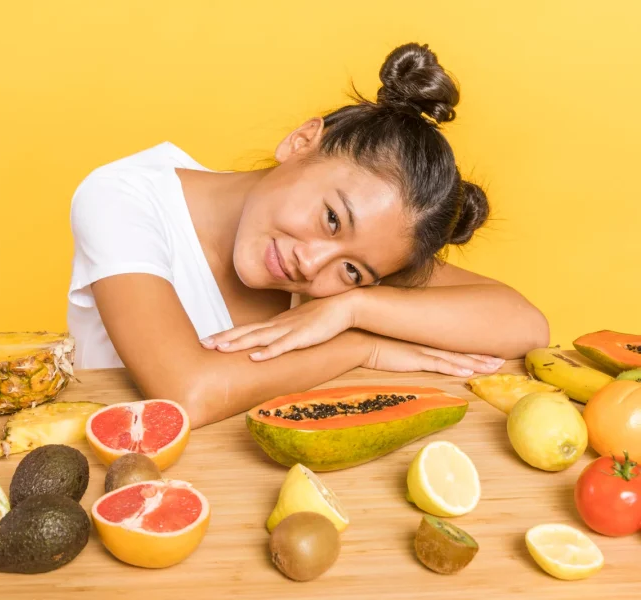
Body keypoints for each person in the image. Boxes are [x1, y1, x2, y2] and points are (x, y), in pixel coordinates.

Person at [66, 43, 549, 429]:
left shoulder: (351, 276)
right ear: (300, 143)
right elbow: (188, 393)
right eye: (333, 219)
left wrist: (353, 306)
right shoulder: (122, 197)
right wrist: (363, 345)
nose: (313, 264)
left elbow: (526, 326)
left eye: (353, 270)